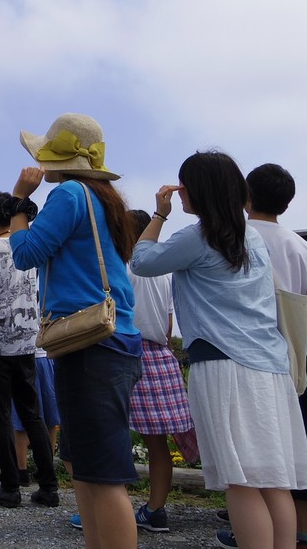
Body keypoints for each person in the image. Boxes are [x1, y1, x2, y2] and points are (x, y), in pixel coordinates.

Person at [133, 152, 307, 549]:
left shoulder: (198, 236)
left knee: (240, 480)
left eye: (184, 187)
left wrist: (158, 216)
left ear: (199, 191)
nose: (179, 195)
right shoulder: (252, 238)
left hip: (223, 367)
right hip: (270, 368)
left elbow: (141, 261)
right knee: (273, 480)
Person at [8, 113, 141, 549]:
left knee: (101, 475)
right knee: (84, 467)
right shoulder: (104, 198)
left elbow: (26, 254)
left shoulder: (68, 193)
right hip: (105, 340)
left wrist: (18, 201)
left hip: (92, 346)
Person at [0, 191, 58, 508]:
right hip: (28, 341)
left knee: (1, 416)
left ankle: (10, 486)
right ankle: (48, 487)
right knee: (32, 413)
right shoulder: (29, 248)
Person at [245, 163, 307, 548]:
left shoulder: (241, 236)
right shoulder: (300, 245)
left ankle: (254, 531)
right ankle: (296, 534)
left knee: (256, 449)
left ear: (246, 197)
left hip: (251, 351)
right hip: (295, 356)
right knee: (291, 447)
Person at [124, 210, 194, 533]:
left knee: (114, 435)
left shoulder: (125, 267)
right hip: (161, 357)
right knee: (157, 444)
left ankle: (110, 506)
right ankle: (156, 509)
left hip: (130, 355)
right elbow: (167, 327)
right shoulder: (163, 274)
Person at [11, 348, 59, 487]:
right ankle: (47, 468)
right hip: (46, 356)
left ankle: (22, 470)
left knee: (21, 418)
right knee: (50, 418)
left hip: (23, 355)